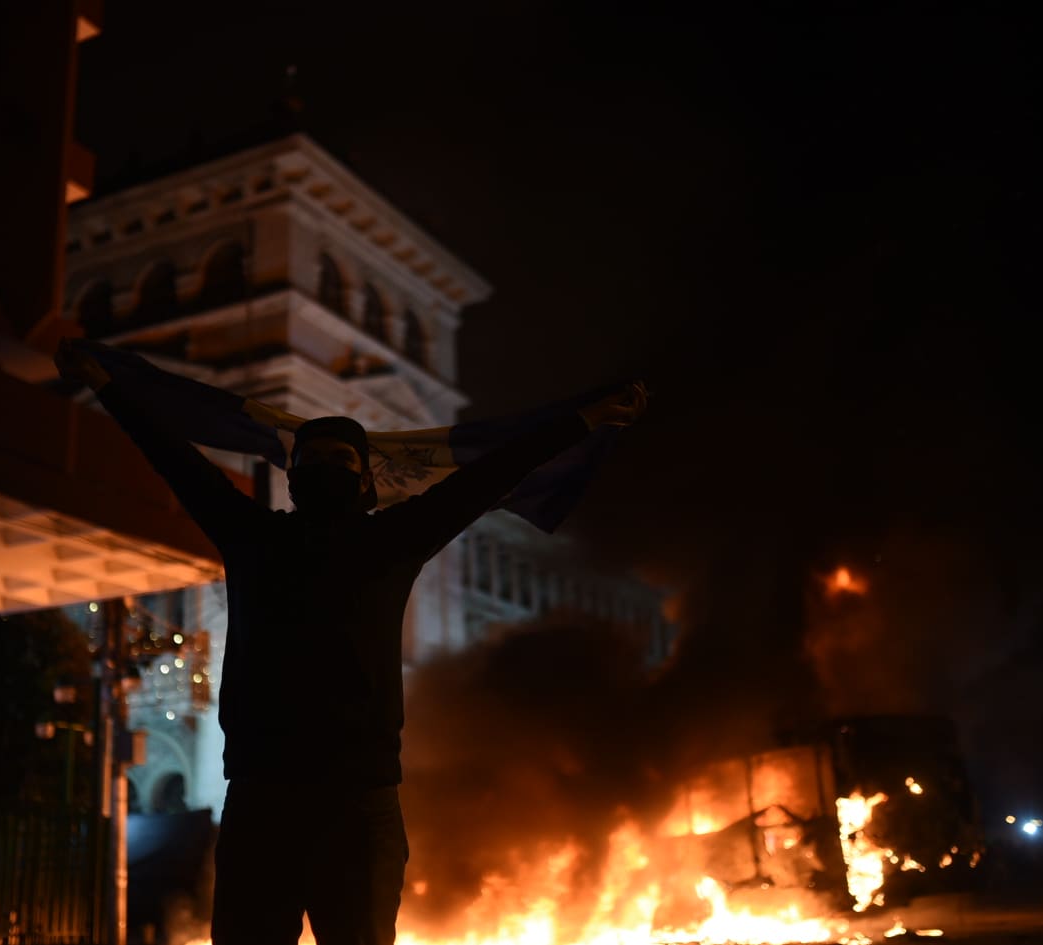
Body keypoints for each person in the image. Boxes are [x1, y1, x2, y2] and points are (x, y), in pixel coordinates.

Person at [55, 339, 646, 944]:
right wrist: (105, 386)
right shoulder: (254, 536)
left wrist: (585, 419)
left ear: (366, 481)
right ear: (295, 478)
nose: (327, 465)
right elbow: (173, 456)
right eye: (315, 457)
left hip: (356, 807)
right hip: (266, 804)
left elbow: (490, 473)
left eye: (341, 457)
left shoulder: (390, 539)